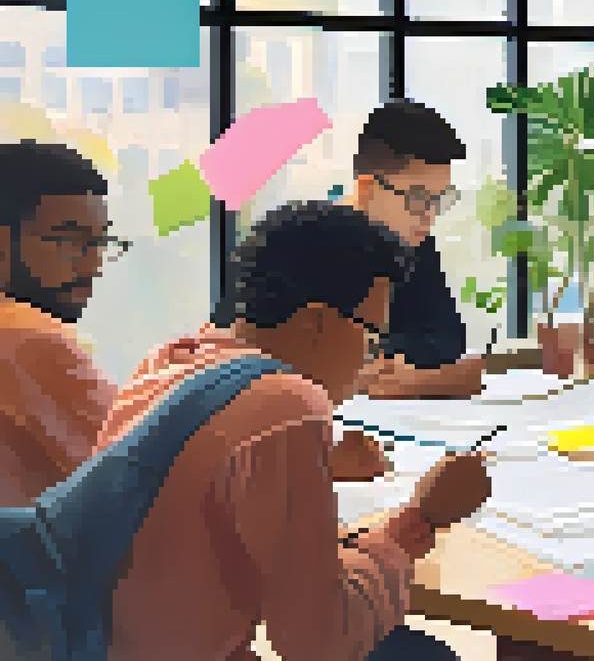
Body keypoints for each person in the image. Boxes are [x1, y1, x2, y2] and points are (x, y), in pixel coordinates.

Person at [100, 201, 492, 661]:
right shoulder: (286, 404)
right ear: (317, 323)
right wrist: (419, 520)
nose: (372, 359)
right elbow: (319, 643)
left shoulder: (171, 363)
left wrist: (322, 468)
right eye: (372, 339)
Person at [340, 99, 487, 400]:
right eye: (418, 199)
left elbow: (449, 342)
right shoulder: (298, 244)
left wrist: (401, 372)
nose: (430, 216)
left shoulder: (416, 243)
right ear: (367, 189)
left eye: (440, 200)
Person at [0, 140, 120, 505]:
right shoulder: (28, 338)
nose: (93, 266)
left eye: (101, 243)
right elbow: (137, 480)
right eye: (71, 241)